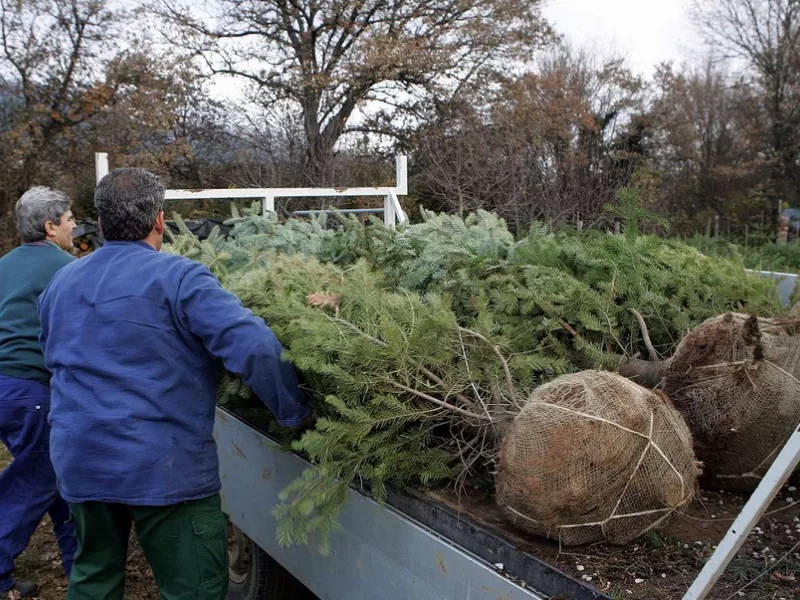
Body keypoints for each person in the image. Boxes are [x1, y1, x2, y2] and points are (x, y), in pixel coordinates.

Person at [38, 167, 310, 600]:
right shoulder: (180, 279)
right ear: (159, 221)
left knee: (93, 579)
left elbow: (53, 357)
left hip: (80, 458)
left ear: (102, 224)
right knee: (194, 587)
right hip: (163, 466)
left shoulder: (60, 283)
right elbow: (254, 347)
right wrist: (294, 413)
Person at [0, 186, 78, 598]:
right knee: (36, 479)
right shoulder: (66, 268)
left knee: (56, 477)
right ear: (50, 227)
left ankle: (81, 568)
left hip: (3, 388)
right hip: (31, 388)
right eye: (68, 219)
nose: (74, 225)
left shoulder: (4, 265)